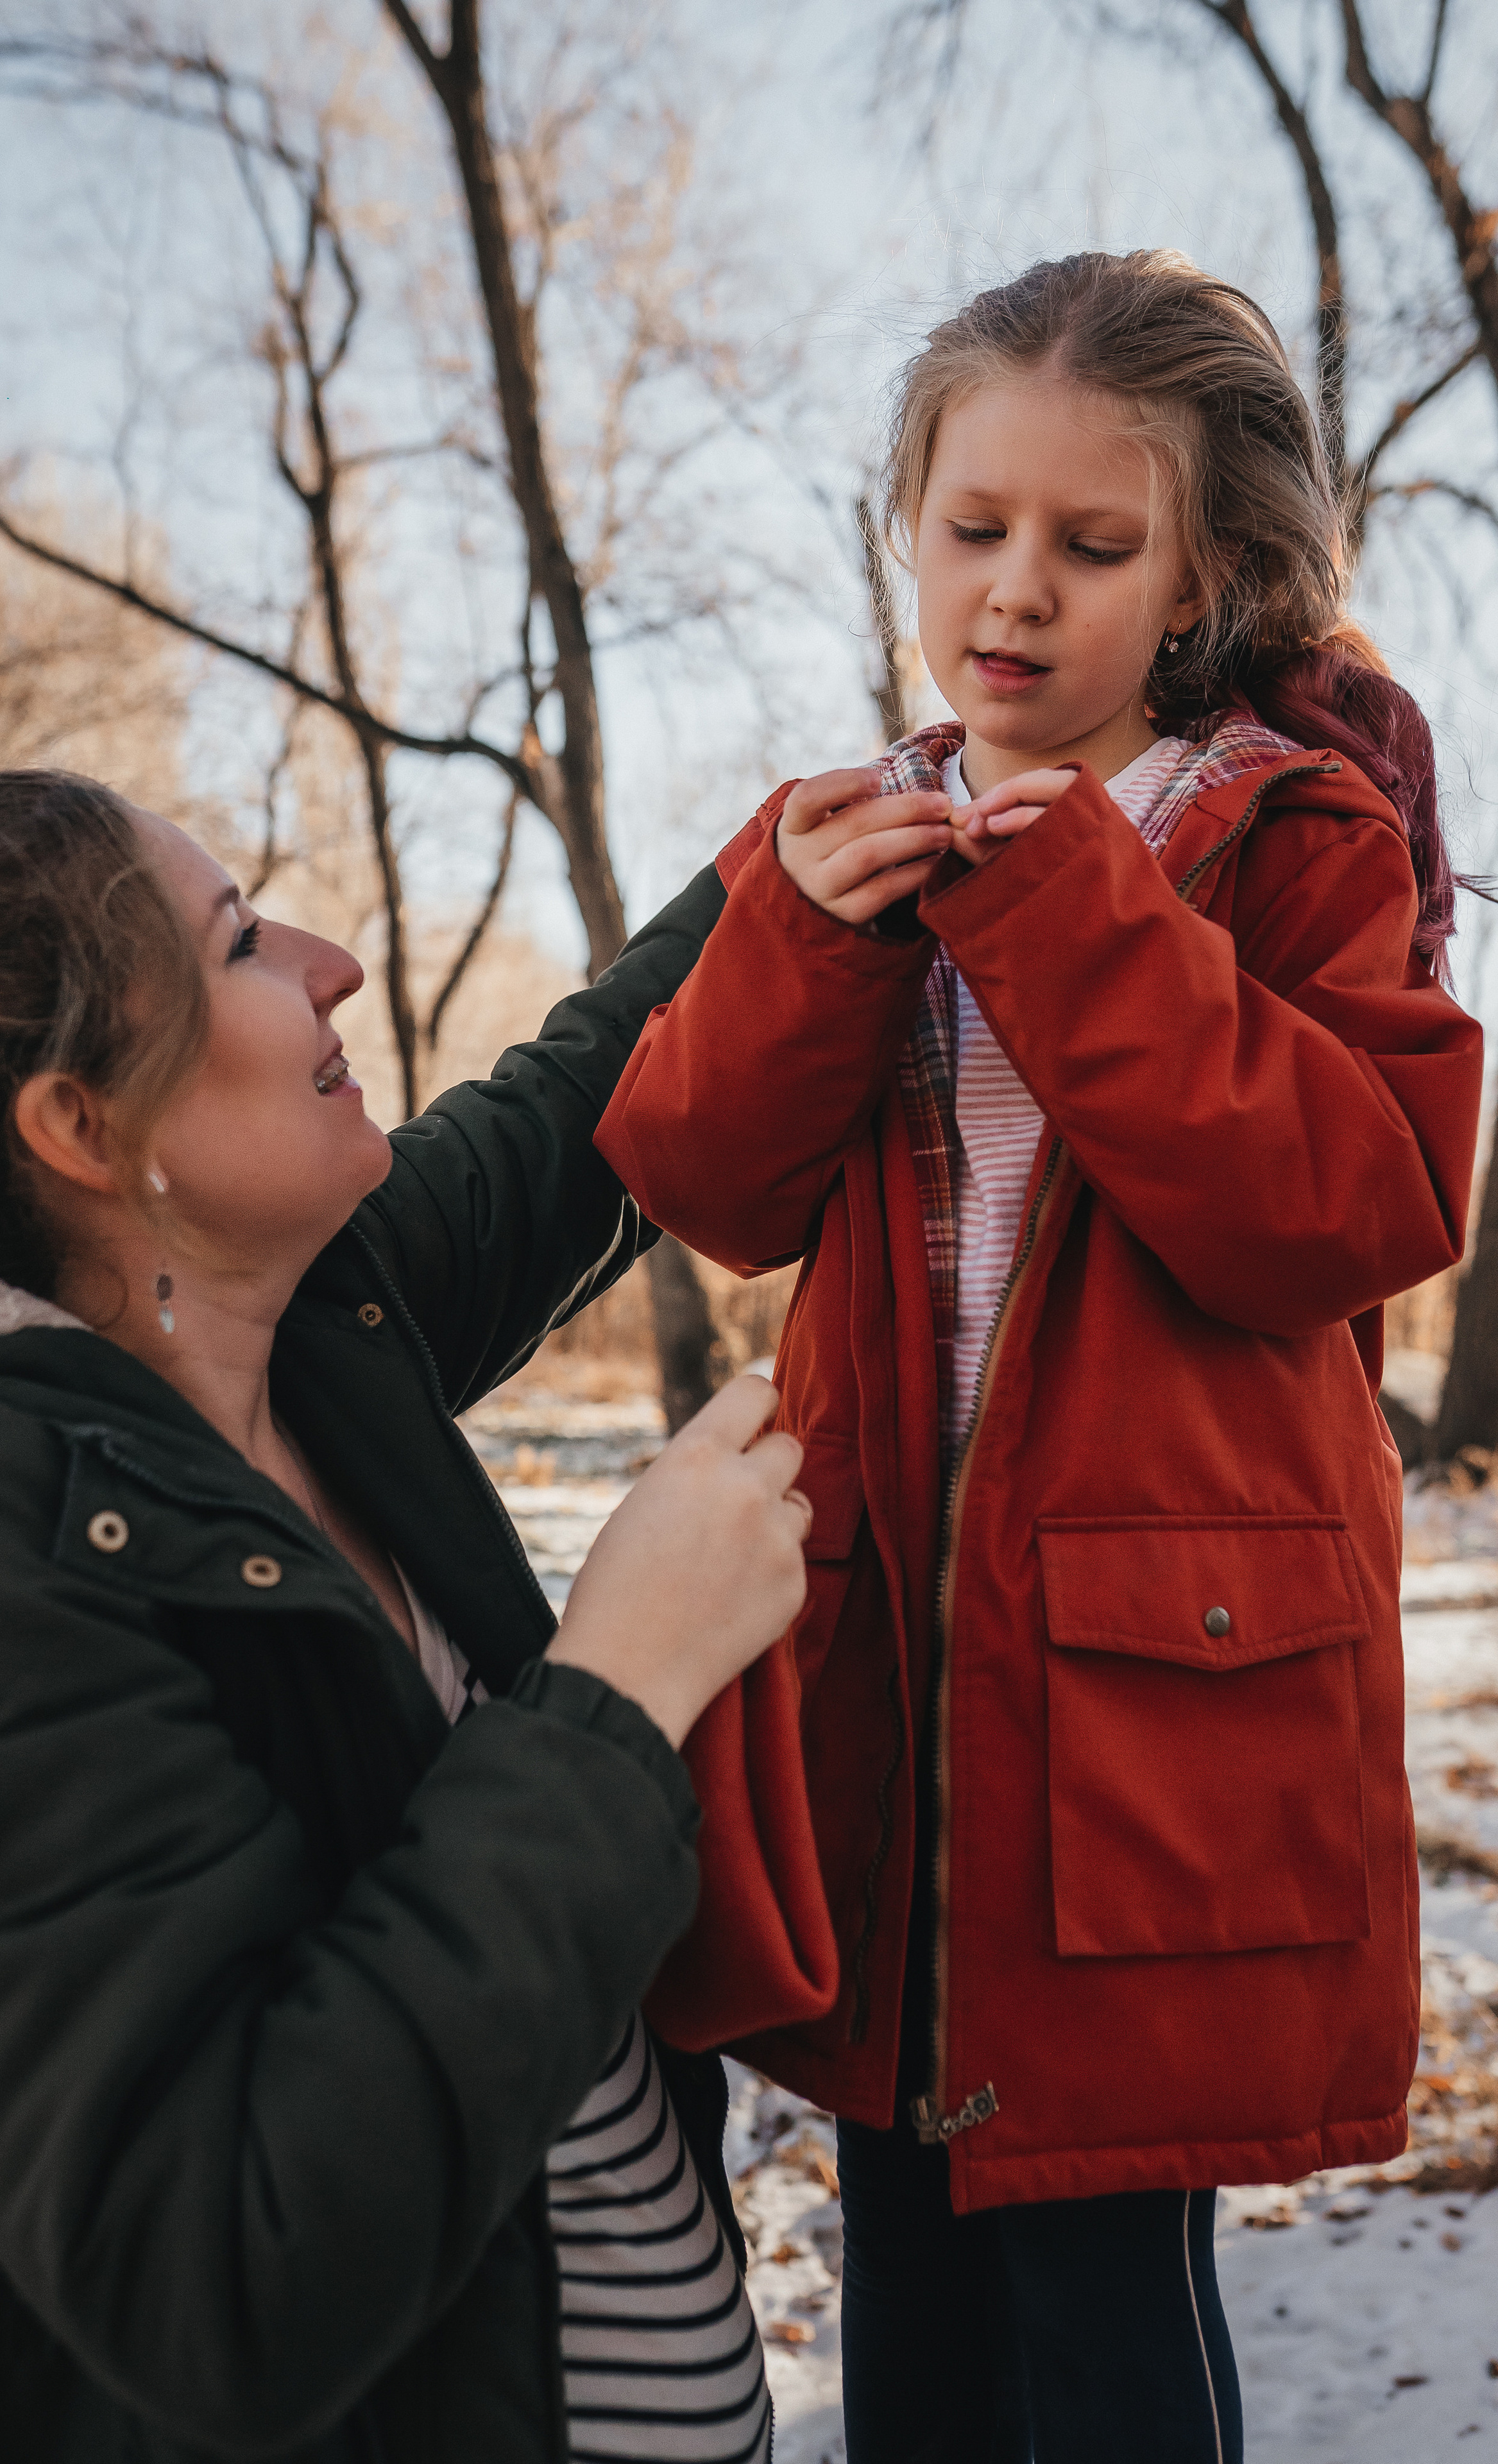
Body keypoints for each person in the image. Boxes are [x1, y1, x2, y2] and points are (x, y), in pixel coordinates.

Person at [595, 248, 1485, 2462]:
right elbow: (703, 1176)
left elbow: (1352, 1208)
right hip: (885, 1649)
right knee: (897, 2225)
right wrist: (800, 937)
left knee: (1098, 2272)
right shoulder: (841, 830)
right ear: (906, 522)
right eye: (972, 527)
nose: (1017, 592)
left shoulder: (1280, 835)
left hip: (1152, 1691)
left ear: (1198, 579)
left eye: (1093, 548)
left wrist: (1078, 908)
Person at [0, 767, 810, 2464]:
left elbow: (577, 1107)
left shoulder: (295, 1327)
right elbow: (221, 2267)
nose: (332, 962)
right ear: (86, 1130)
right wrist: (615, 1696)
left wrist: (793, 861)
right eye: (237, 946)